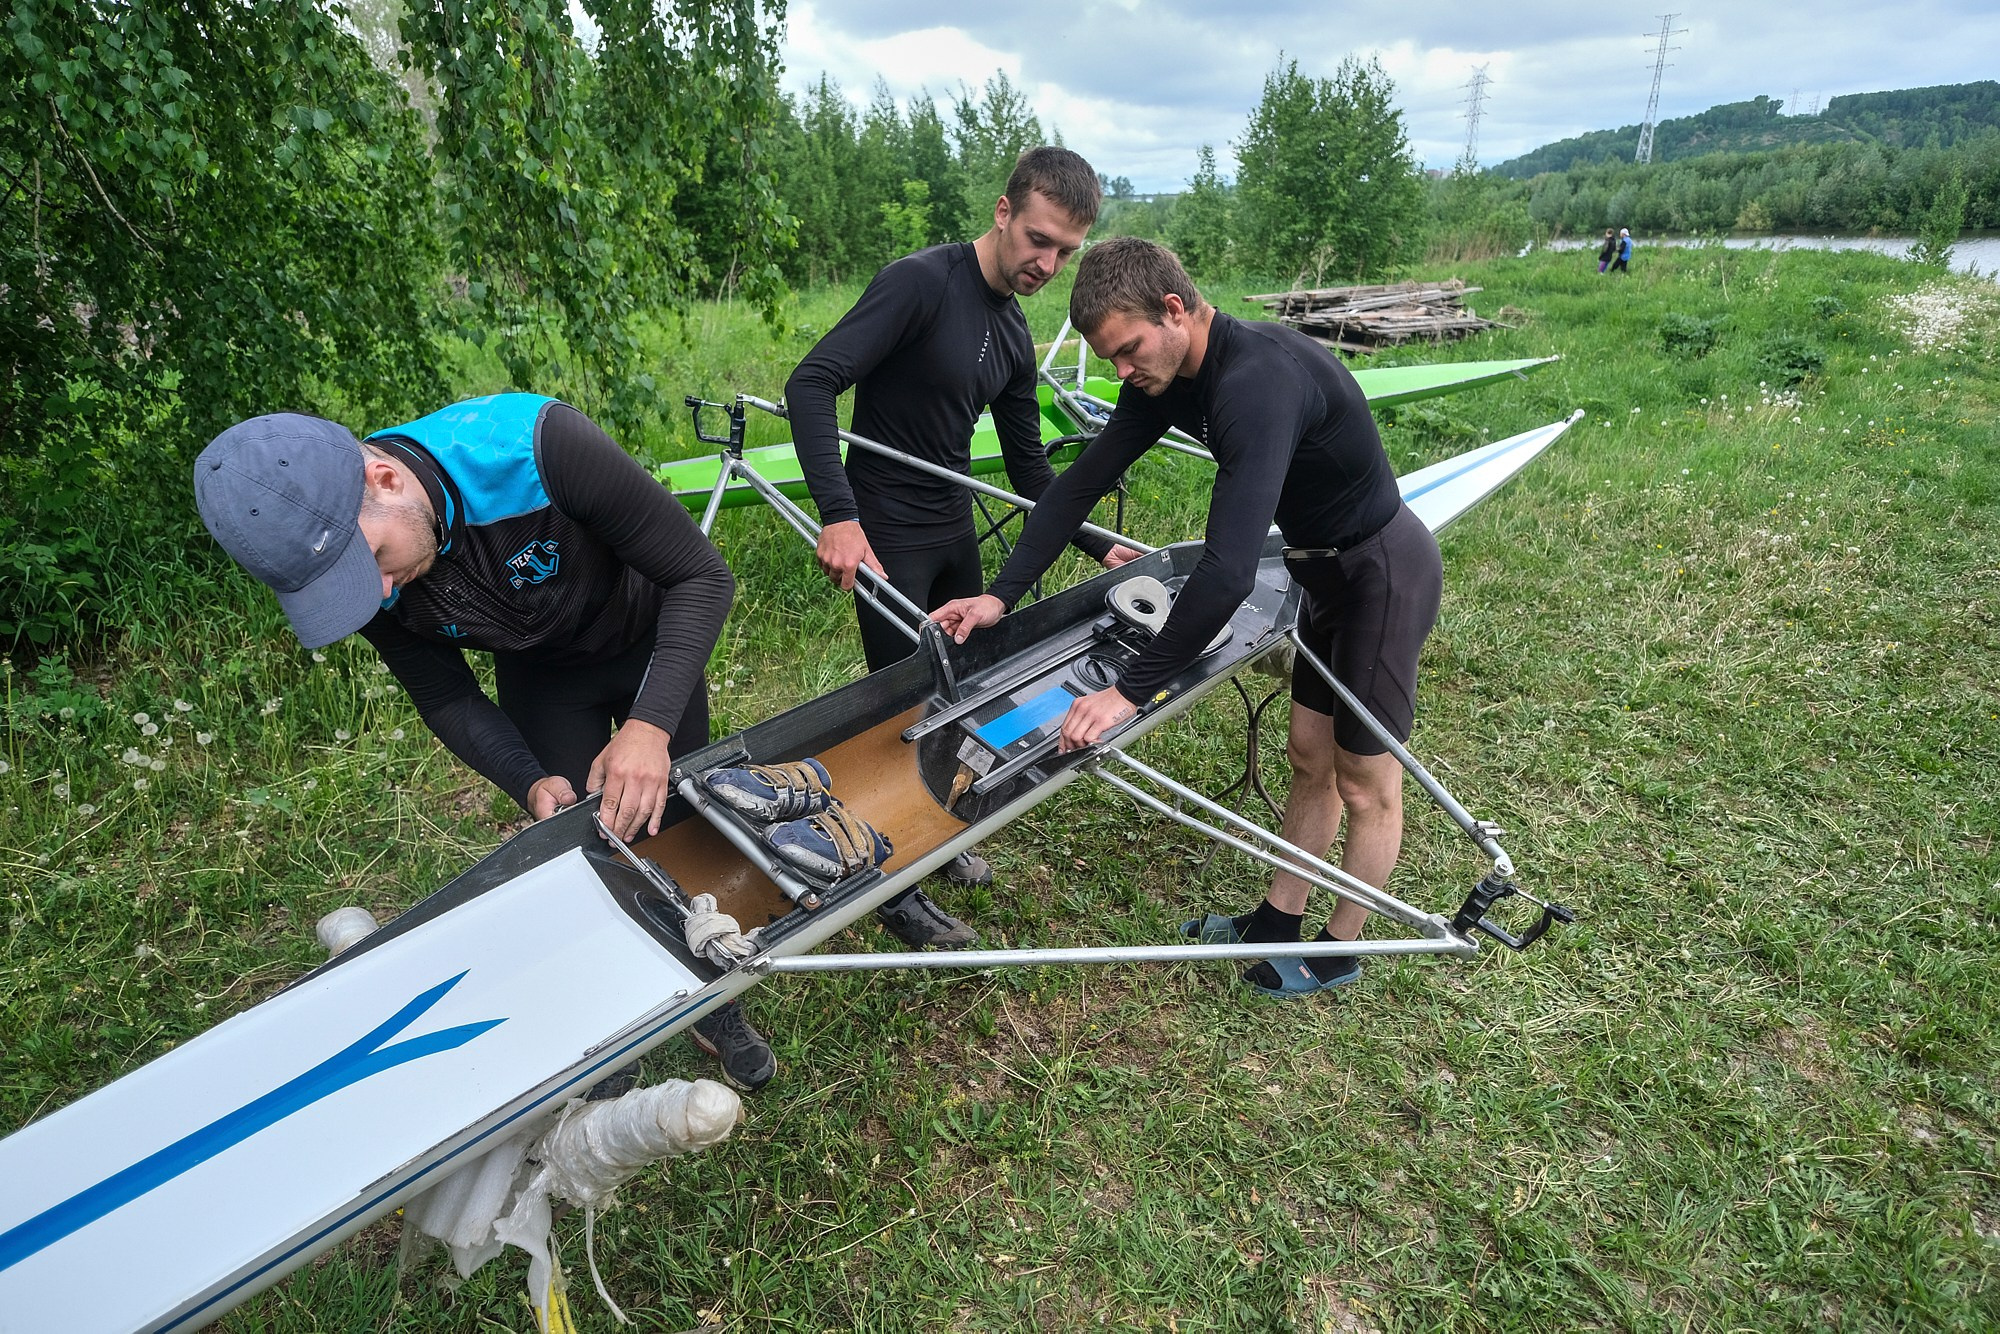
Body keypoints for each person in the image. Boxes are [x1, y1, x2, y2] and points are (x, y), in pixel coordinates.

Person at [194, 395, 777, 1090]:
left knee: (675, 820)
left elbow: (702, 576)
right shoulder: (365, 575)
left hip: (646, 642)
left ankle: (713, 998)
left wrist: (650, 727)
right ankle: (616, 1017)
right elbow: (446, 696)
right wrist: (526, 778)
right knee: (581, 844)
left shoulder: (533, 447)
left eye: (374, 559)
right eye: (349, 587)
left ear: (383, 478)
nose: (375, 591)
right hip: (543, 677)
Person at [932, 238, 1444, 999]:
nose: (1121, 372)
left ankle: (1340, 949)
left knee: (1364, 782)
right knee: (1310, 755)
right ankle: (1276, 920)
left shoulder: (1255, 382)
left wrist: (1128, 690)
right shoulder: (1167, 376)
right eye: (1109, 359)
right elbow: (1078, 487)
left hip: (1382, 574)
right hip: (1322, 573)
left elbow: (1229, 572)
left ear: (1175, 310)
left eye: (1129, 349)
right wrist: (1001, 594)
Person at [784, 146, 1142, 950]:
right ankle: (889, 884)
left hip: (950, 531)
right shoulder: (919, 283)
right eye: (1039, 239)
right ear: (1003, 211)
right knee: (900, 709)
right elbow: (810, 384)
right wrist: (837, 516)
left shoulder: (1014, 333)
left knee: (965, 692)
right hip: (885, 534)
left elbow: (1027, 468)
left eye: (1065, 252)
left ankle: (931, 831)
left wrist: (1092, 542)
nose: (1047, 263)